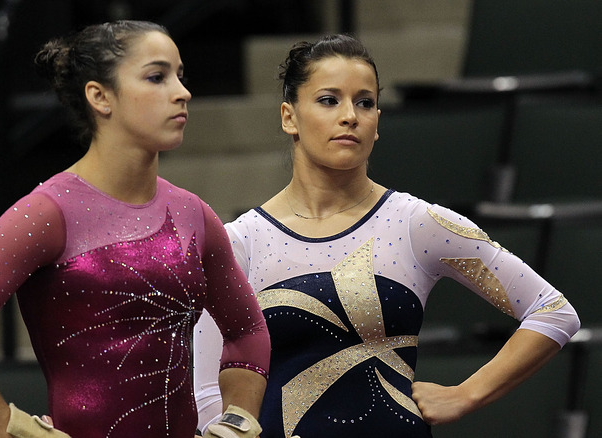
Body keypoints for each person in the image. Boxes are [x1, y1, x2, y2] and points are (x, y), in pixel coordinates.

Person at [193, 34, 580, 438]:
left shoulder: (416, 223)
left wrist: (467, 394)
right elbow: (205, 394)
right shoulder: (239, 242)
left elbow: (552, 310)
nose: (350, 116)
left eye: (365, 102)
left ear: (378, 121)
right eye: (329, 100)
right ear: (289, 116)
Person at [0, 20, 270, 438]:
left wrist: (237, 420)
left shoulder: (193, 214)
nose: (182, 91)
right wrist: (15, 429)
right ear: (100, 97)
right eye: (157, 77)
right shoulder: (47, 213)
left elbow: (247, 330)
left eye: (180, 75)